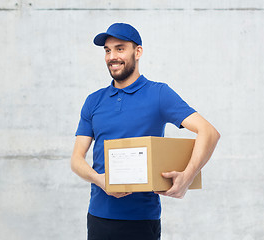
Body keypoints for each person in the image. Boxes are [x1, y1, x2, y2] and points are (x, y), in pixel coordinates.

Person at [71, 23, 220, 240]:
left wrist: (188, 177)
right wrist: (100, 180)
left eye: (120, 48)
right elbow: (76, 159)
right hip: (98, 218)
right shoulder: (94, 101)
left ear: (137, 51)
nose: (112, 56)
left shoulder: (159, 94)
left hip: (141, 221)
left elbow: (209, 132)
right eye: (107, 50)